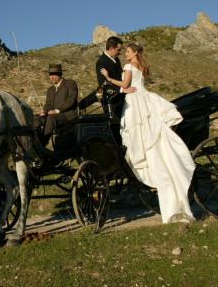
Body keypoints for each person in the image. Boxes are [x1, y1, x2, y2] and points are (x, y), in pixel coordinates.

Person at [100, 43, 196, 224]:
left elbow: (126, 84)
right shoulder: (142, 67)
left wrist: (108, 78)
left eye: (127, 52)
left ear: (134, 52)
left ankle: (144, 165)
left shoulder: (129, 66)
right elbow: (133, 85)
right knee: (150, 134)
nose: (125, 55)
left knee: (138, 135)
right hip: (145, 100)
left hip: (135, 104)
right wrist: (125, 88)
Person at [37, 63, 78, 148]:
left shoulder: (70, 83)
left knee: (51, 117)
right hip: (54, 116)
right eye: (50, 75)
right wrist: (44, 111)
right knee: (34, 118)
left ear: (60, 74)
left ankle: (41, 145)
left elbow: (71, 100)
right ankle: (33, 144)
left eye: (54, 74)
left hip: (68, 116)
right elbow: (48, 104)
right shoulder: (50, 90)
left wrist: (57, 110)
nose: (52, 77)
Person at [95, 36, 124, 115]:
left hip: (121, 98)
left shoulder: (117, 59)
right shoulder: (101, 62)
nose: (120, 52)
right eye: (118, 50)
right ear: (111, 48)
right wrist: (121, 89)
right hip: (111, 101)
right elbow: (103, 83)